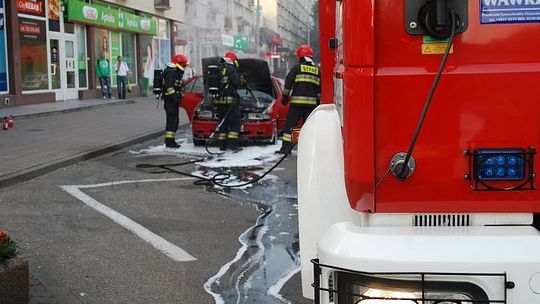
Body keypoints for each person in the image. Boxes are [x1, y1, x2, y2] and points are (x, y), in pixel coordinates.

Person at [276, 45, 321, 154]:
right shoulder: (317, 71)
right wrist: (317, 104)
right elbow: (319, 90)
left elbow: (288, 84)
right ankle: (307, 148)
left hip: (297, 104)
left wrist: (285, 98)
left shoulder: (297, 68)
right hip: (311, 106)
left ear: (300, 57)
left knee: (291, 126)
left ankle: (286, 149)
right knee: (308, 127)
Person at [215, 51, 243, 152]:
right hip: (230, 103)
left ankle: (222, 145)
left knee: (223, 123)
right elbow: (236, 83)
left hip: (219, 102)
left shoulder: (219, 68)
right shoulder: (231, 69)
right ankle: (232, 144)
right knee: (235, 123)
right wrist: (240, 80)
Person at [162, 53, 188, 148]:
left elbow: (176, 86)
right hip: (170, 101)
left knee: (174, 121)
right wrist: (175, 97)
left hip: (172, 101)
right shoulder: (170, 72)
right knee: (172, 121)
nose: (183, 67)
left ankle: (170, 141)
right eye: (183, 65)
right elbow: (169, 88)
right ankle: (169, 142)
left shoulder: (174, 72)